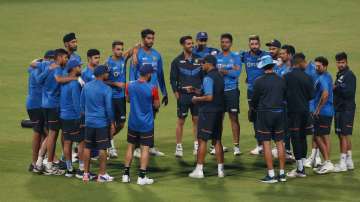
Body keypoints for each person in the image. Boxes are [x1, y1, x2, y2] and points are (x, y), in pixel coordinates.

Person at [130, 28, 168, 157]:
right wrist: (130, 92)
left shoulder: (156, 55)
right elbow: (132, 75)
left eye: (152, 38)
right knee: (139, 118)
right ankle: (136, 148)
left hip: (153, 92)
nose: (151, 41)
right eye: (148, 38)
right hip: (140, 91)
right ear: (143, 39)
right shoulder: (137, 55)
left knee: (151, 118)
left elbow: (161, 74)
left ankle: (149, 146)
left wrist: (164, 92)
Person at [122, 64, 160, 185]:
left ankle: (125, 175)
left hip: (133, 123)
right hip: (146, 124)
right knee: (145, 149)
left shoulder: (130, 85)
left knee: (130, 147)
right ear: (148, 74)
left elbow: (127, 99)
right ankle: (141, 177)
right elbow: (157, 105)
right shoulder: (152, 88)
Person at [251, 55, 287, 183]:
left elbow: (254, 100)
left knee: (266, 143)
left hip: (265, 114)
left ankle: (271, 175)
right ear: (272, 65)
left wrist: (252, 110)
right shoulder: (281, 80)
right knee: (280, 142)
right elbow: (285, 96)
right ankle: (282, 174)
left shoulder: (259, 81)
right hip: (279, 113)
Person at [189, 55, 225, 179]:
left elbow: (209, 97)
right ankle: (221, 170)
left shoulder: (208, 77)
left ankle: (199, 169)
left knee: (202, 140)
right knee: (217, 140)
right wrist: (196, 90)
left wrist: (196, 98)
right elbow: (212, 92)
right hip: (219, 111)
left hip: (208, 112)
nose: (202, 65)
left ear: (209, 64)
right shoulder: (220, 76)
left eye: (203, 63)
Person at [81, 65, 115, 182]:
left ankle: (85, 174)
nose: (108, 74)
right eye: (107, 73)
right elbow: (109, 109)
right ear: (102, 74)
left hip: (89, 122)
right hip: (101, 123)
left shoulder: (86, 87)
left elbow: (82, 104)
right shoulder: (107, 89)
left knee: (87, 147)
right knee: (102, 148)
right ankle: (102, 174)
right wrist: (112, 123)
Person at [170, 35, 202, 157]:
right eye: (188, 43)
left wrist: (201, 91)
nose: (191, 45)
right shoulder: (176, 61)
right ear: (183, 45)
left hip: (196, 96)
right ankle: (179, 146)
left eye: (192, 43)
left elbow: (204, 77)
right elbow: (173, 80)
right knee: (181, 121)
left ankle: (196, 145)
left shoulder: (199, 60)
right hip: (183, 96)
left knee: (196, 120)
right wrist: (176, 94)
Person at [284, 53, 315, 178]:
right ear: (300, 63)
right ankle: (301, 166)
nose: (306, 64)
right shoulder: (308, 77)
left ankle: (300, 169)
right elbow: (311, 96)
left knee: (295, 138)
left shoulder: (286, 77)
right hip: (305, 112)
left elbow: (283, 94)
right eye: (304, 62)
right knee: (302, 137)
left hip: (293, 113)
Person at [240, 35, 268, 155]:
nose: (254, 46)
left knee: (266, 116)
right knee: (254, 116)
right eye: (252, 44)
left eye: (256, 44)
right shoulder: (245, 55)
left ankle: (270, 144)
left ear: (259, 44)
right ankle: (259, 145)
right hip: (251, 91)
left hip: (265, 91)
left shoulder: (266, 55)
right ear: (249, 45)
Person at [26, 51, 54, 173]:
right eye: (50, 59)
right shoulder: (39, 69)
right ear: (45, 59)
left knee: (44, 133)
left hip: (39, 104)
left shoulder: (37, 66)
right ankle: (34, 163)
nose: (52, 62)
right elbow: (39, 80)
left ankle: (40, 161)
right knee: (39, 132)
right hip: (36, 105)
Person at [216, 33, 242, 156]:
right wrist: (228, 71)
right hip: (219, 92)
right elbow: (214, 73)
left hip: (232, 91)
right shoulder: (216, 57)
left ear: (230, 43)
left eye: (226, 42)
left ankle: (236, 146)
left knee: (234, 117)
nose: (224, 44)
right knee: (219, 118)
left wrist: (223, 71)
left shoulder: (235, 57)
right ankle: (218, 144)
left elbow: (237, 73)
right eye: (222, 42)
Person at [59, 60, 85, 177]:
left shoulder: (64, 82)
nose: (81, 68)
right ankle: (81, 169)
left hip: (64, 116)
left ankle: (69, 170)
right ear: (74, 68)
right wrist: (82, 116)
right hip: (74, 117)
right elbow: (76, 103)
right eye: (79, 66)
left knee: (67, 142)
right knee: (80, 142)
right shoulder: (75, 84)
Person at [333, 52, 356, 172]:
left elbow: (350, 93)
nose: (340, 64)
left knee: (343, 135)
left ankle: (342, 163)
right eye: (338, 62)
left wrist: (338, 87)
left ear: (346, 62)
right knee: (342, 134)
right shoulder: (340, 74)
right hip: (340, 108)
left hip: (346, 109)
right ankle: (349, 161)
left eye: (342, 62)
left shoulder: (349, 75)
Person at [311, 56, 335, 174]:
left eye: (319, 66)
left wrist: (318, 109)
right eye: (316, 65)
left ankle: (327, 162)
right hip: (327, 111)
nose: (316, 67)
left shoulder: (324, 77)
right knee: (323, 136)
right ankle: (326, 162)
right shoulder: (325, 76)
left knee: (318, 136)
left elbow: (325, 94)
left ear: (325, 66)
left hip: (324, 112)